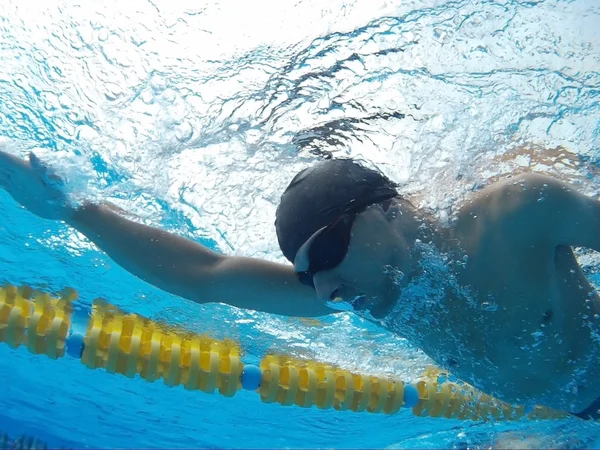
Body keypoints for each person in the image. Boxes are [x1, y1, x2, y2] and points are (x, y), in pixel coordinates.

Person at [0, 146, 599, 419]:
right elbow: (204, 276)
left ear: (385, 209)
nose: (326, 290)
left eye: (332, 251)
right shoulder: (367, 296)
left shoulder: (516, 214)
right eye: (309, 276)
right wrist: (72, 211)